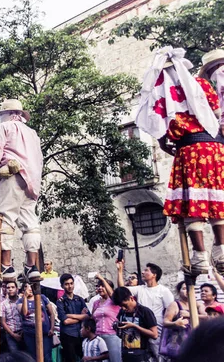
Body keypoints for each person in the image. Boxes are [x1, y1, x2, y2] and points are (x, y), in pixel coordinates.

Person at [136, 47, 224, 275]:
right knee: (215, 198)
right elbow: (216, 112)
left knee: (192, 206)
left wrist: (170, 140)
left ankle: (200, 255)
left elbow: (159, 132)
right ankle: (221, 247)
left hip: (189, 149)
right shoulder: (201, 85)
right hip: (214, 148)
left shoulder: (160, 94)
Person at [0, 99, 43, 281]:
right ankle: (32, 267)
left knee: (5, 217)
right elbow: (39, 158)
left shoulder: (3, 128)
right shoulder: (32, 133)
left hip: (11, 174)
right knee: (30, 222)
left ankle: (6, 266)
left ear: (5, 114)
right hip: (31, 180)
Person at [116, 262, 173, 359]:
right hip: (141, 332)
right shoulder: (140, 289)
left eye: (146, 270)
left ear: (154, 275)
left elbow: (171, 310)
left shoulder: (163, 291)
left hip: (157, 332)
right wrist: (120, 270)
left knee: (159, 358)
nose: (142, 272)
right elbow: (122, 290)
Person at [112, 286, 158, 362]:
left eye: (125, 305)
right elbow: (120, 335)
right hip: (125, 353)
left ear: (132, 298)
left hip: (141, 354)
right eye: (120, 306)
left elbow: (154, 335)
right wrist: (116, 326)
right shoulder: (122, 312)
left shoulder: (145, 311)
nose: (123, 308)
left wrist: (134, 326)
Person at [56, 273, 90, 362]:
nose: (70, 286)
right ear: (62, 286)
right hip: (68, 335)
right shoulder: (60, 302)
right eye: (66, 284)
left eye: (71, 283)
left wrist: (70, 315)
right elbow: (65, 321)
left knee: (84, 358)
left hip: (80, 334)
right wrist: (80, 317)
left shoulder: (79, 299)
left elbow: (88, 316)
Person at [21, 283, 54, 361]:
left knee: (47, 357)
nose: (30, 289)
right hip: (30, 334)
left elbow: (51, 313)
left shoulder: (42, 297)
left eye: (31, 286)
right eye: (27, 287)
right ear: (23, 290)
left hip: (45, 332)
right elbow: (24, 313)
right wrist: (25, 297)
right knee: (33, 357)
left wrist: (52, 328)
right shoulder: (21, 301)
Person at [91, 274, 121, 362]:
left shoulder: (114, 301)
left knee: (115, 359)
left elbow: (112, 294)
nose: (100, 288)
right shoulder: (96, 302)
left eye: (103, 286)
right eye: (99, 286)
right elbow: (93, 318)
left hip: (112, 335)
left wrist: (102, 279)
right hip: (98, 336)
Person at [162, 281, 191, 358]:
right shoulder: (174, 305)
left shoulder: (197, 304)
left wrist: (190, 315)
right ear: (179, 291)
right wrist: (175, 323)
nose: (187, 291)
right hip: (179, 344)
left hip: (192, 342)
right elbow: (165, 322)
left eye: (189, 288)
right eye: (184, 288)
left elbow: (207, 317)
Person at [1, 281, 26, 352]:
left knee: (27, 356)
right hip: (11, 334)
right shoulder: (3, 304)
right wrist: (13, 335)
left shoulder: (23, 300)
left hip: (25, 332)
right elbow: (3, 322)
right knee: (14, 356)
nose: (10, 289)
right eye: (8, 288)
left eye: (13, 287)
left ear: (17, 289)